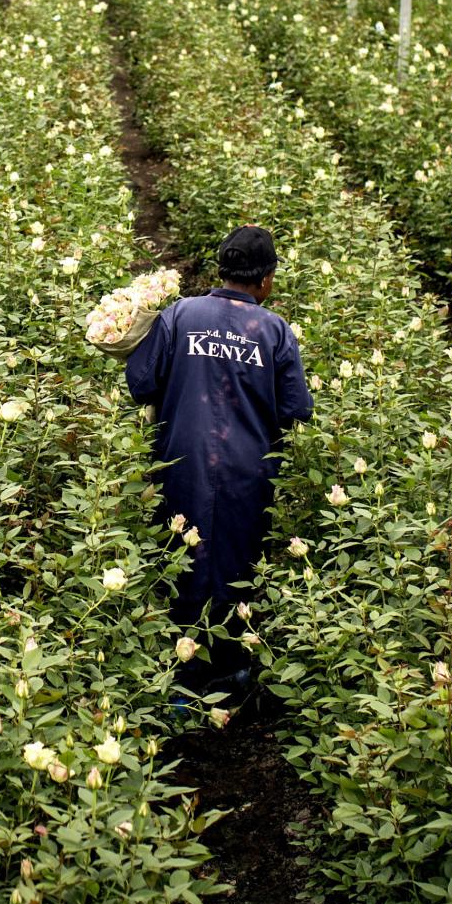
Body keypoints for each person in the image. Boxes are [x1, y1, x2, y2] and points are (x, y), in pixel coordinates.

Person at [126, 226, 313, 695]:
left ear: (220, 269)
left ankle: (178, 676)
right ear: (267, 279)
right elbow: (297, 410)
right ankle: (231, 671)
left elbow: (142, 383)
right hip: (247, 471)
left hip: (180, 462)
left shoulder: (180, 315)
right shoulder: (273, 331)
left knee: (180, 559)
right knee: (238, 562)